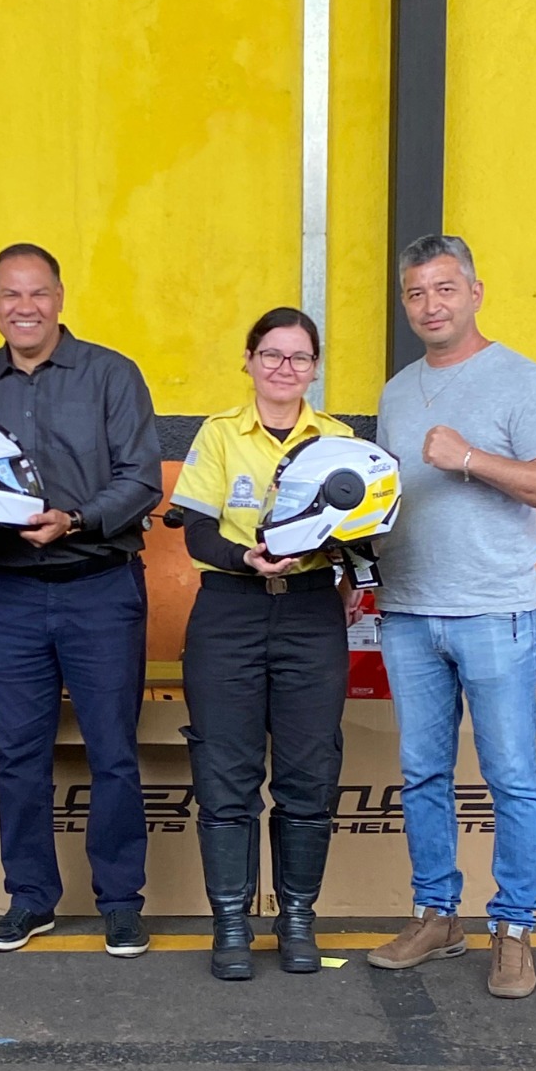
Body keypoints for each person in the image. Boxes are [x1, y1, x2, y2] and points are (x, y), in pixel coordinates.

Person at [367, 235, 536, 998]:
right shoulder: (395, 392)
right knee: (422, 772)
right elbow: (385, 498)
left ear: (476, 293)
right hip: (407, 610)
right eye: (416, 292)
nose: (431, 305)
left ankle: (513, 928)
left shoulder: (521, 379)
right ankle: (437, 915)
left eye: (445, 288)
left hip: (494, 611)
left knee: (511, 775)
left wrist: (468, 457)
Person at [0, 243, 163, 956]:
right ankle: (30, 898)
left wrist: (73, 519)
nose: (25, 307)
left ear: (60, 298)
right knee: (19, 753)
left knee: (113, 753)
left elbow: (141, 479)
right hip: (9, 593)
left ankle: (120, 902)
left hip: (100, 588)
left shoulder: (111, 374)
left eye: (37, 293)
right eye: (10, 294)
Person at [170, 308, 363, 980]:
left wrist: (350, 558)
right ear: (249, 361)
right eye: (272, 355)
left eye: (299, 357)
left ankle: (297, 918)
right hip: (229, 609)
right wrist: (244, 558)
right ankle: (231, 921)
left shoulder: (339, 440)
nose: (285, 368)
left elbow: (363, 531)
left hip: (310, 613)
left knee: (310, 770)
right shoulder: (220, 433)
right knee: (225, 771)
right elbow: (196, 529)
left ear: (315, 368)